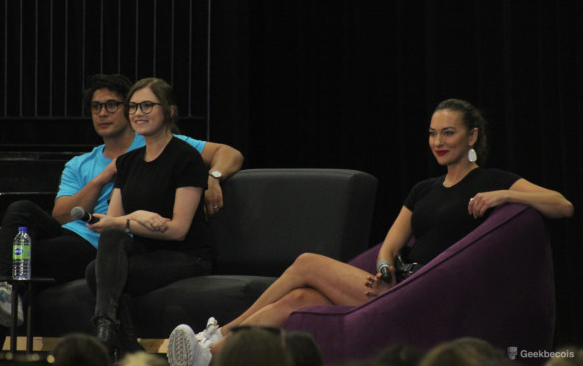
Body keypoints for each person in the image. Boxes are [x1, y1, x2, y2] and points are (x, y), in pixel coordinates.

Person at [166, 98, 573, 366]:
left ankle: (218, 332)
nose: (438, 141)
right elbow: (391, 245)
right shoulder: (424, 189)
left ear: (472, 136)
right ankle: (214, 355)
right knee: (298, 299)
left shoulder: (491, 179)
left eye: (448, 133)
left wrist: (504, 194)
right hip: (397, 284)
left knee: (307, 263)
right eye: (432, 133)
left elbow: (562, 205)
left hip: (424, 295)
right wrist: (383, 267)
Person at [0, 74, 243, 345]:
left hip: (107, 242)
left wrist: (213, 176)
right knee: (20, 213)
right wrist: (101, 179)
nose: (103, 113)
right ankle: (7, 294)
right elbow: (61, 216)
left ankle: (6, 311)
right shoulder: (89, 163)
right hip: (84, 230)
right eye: (96, 107)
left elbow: (229, 154)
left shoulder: (168, 146)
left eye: (112, 105)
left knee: (6, 259)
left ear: (167, 111)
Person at [84, 77, 214, 358]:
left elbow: (178, 230)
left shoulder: (186, 158)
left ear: (169, 111)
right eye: (133, 107)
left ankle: (118, 341)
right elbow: (114, 223)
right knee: (102, 258)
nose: (138, 113)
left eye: (147, 106)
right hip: (144, 250)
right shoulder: (128, 162)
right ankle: (113, 332)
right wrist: (136, 217)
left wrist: (127, 220)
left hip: (186, 254)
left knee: (101, 273)